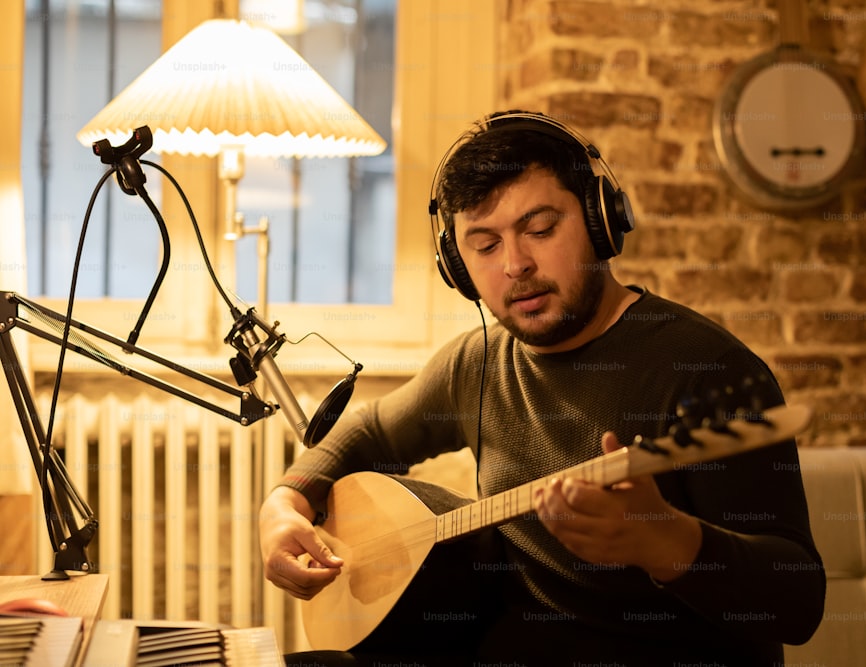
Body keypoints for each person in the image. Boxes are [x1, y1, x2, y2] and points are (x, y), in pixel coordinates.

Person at [259, 110, 826, 666]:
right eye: (484, 245)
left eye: (540, 228)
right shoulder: (476, 363)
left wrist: (665, 543)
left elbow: (798, 605)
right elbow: (370, 430)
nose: (515, 265)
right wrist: (283, 506)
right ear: (457, 266)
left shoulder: (709, 371)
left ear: (601, 222)